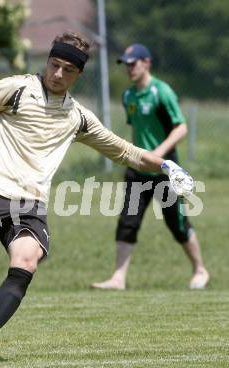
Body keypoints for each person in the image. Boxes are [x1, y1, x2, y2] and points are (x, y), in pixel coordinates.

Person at [0, 33, 193, 366]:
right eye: (54, 64)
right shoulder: (14, 89)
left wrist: (166, 164)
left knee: (26, 263)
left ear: (78, 74)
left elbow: (124, 150)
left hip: (30, 203)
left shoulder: (79, 117)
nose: (58, 74)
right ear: (47, 61)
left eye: (67, 70)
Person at [91, 43, 209, 291]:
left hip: (164, 170)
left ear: (147, 63)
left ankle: (200, 270)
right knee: (128, 221)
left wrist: (159, 154)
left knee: (176, 222)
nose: (129, 69)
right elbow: (138, 129)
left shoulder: (161, 92)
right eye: (126, 64)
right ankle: (118, 279)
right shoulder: (128, 96)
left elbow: (181, 127)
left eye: (133, 64)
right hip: (137, 169)